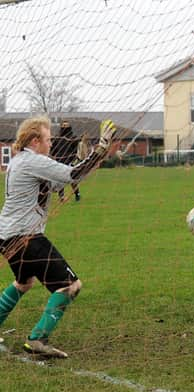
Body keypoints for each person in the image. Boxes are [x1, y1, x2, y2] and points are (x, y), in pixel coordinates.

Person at [0, 116, 115, 358]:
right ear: (35, 140)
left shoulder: (21, 161)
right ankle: (38, 339)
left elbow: (59, 182)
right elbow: (72, 174)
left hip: (9, 236)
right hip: (25, 237)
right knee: (70, 286)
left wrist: (96, 158)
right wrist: (101, 149)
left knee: (24, 282)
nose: (51, 144)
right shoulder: (32, 161)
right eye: (48, 139)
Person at [50, 120, 81, 201]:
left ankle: (77, 194)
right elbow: (53, 149)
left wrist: (73, 158)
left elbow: (75, 150)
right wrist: (54, 156)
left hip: (69, 161)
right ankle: (61, 196)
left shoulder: (73, 138)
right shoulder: (57, 138)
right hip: (59, 160)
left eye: (66, 126)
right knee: (60, 179)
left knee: (72, 178)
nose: (65, 128)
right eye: (63, 126)